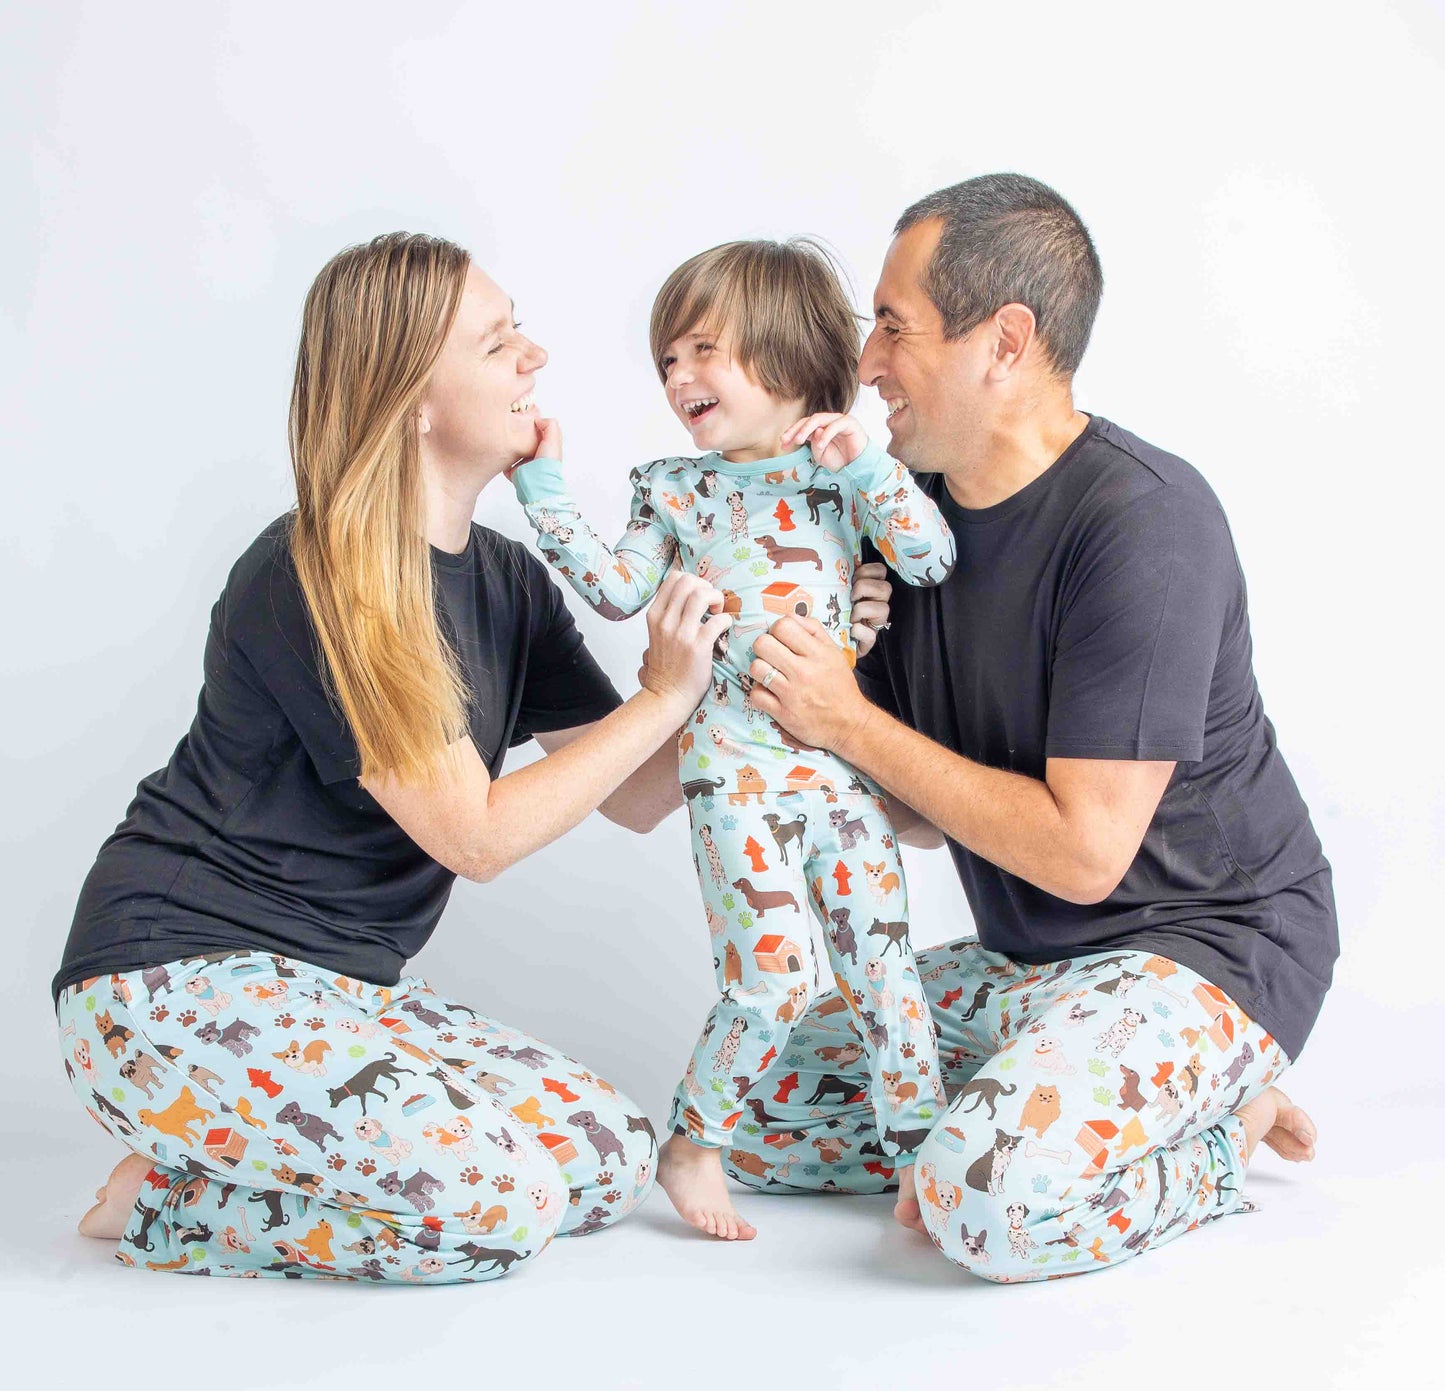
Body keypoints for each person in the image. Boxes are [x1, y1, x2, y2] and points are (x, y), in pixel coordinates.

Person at [52, 232, 886, 1283]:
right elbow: (476, 835)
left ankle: (255, 1163)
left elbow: (632, 792)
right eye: (497, 344)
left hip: (348, 989)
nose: (533, 356)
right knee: (504, 1209)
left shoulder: (503, 579)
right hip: (167, 979)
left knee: (610, 1156)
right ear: (413, 400)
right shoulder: (321, 574)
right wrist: (663, 690)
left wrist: (794, 651)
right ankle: (164, 1202)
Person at [724, 174, 1335, 1282]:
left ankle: (1217, 1135)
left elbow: (1083, 852)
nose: (865, 366)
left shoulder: (1144, 523)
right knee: (751, 1113)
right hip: (1031, 962)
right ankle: (1059, 1083)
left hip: (1205, 950)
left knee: (979, 1202)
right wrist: (808, 672)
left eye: (894, 327)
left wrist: (847, 720)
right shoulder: (908, 529)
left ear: (1004, 341)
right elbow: (915, 814)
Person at [509, 239, 955, 1240]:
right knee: (771, 978)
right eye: (666, 359)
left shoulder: (841, 472)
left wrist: (872, 468)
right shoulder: (669, 487)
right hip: (730, 780)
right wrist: (542, 485)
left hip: (841, 777)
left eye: (701, 350)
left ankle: (917, 1164)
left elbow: (927, 559)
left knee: (888, 978)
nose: (677, 378)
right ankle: (693, 1142)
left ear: (786, 355)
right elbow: (619, 589)